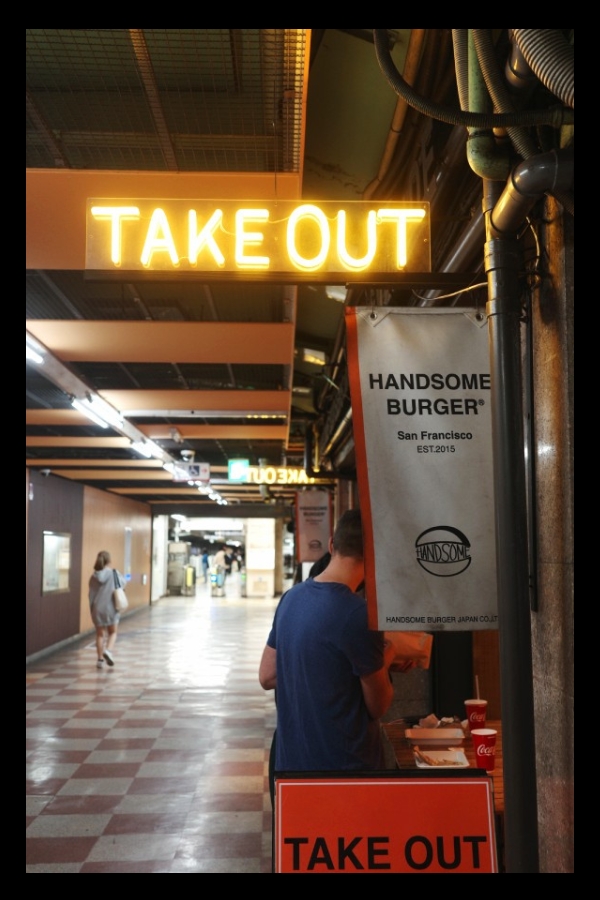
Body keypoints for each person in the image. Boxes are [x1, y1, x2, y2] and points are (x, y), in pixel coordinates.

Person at [258, 509, 396, 775]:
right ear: (376, 555)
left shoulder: (291, 598)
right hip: (345, 772)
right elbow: (378, 705)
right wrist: (388, 654)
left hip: (292, 767)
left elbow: (267, 675)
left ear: (332, 544)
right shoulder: (360, 615)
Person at [88, 550, 126, 669]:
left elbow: (90, 595)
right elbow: (122, 585)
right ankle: (108, 651)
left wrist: (92, 609)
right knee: (113, 632)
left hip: (97, 609)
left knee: (100, 634)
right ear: (109, 561)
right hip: (111, 607)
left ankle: (99, 660)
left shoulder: (93, 577)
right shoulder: (113, 573)